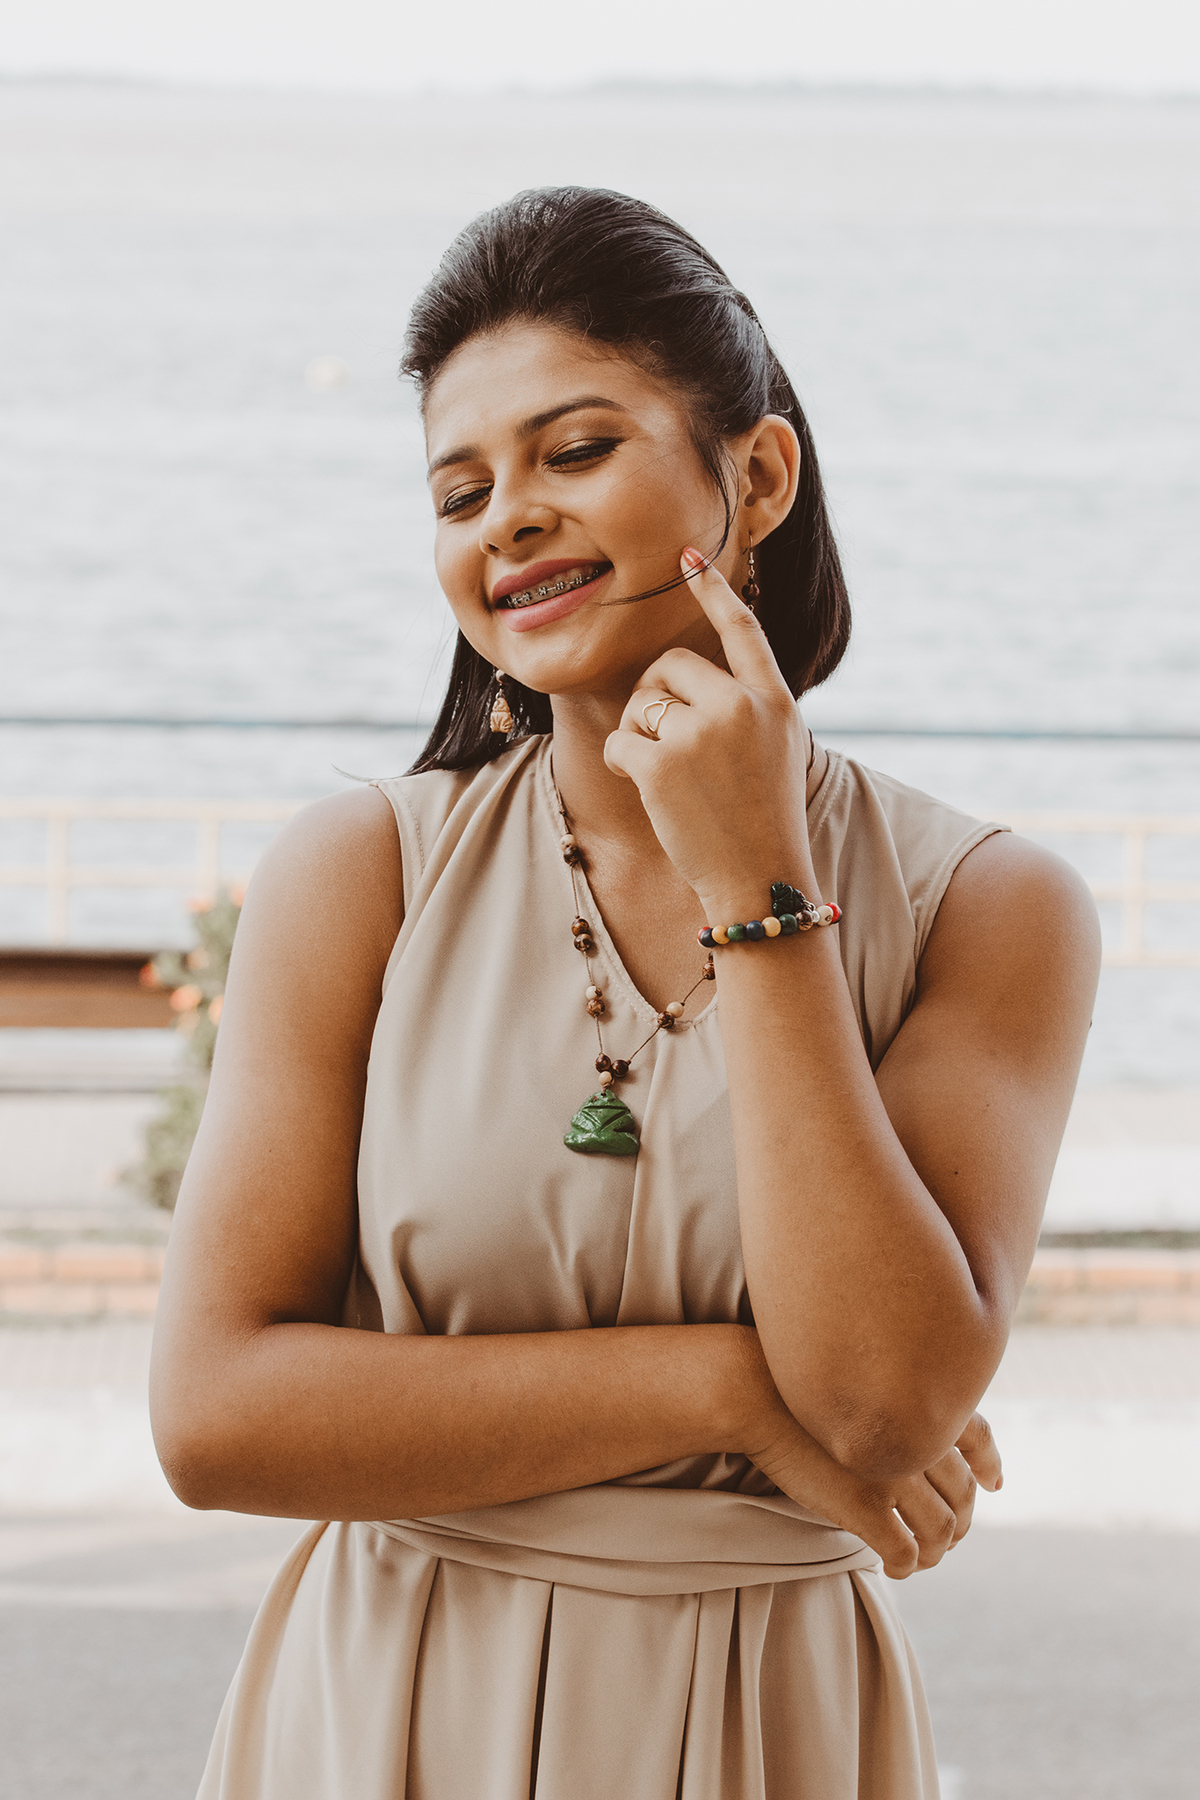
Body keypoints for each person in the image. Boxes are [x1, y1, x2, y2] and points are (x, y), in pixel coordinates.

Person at [150, 187, 1100, 1799]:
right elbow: (219, 1415)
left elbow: (880, 1404)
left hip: (768, 1727)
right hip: (388, 1714)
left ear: (758, 476)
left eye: (574, 451)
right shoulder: (358, 874)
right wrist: (725, 1385)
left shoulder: (993, 908)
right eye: (461, 488)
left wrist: (761, 896)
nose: (505, 517)